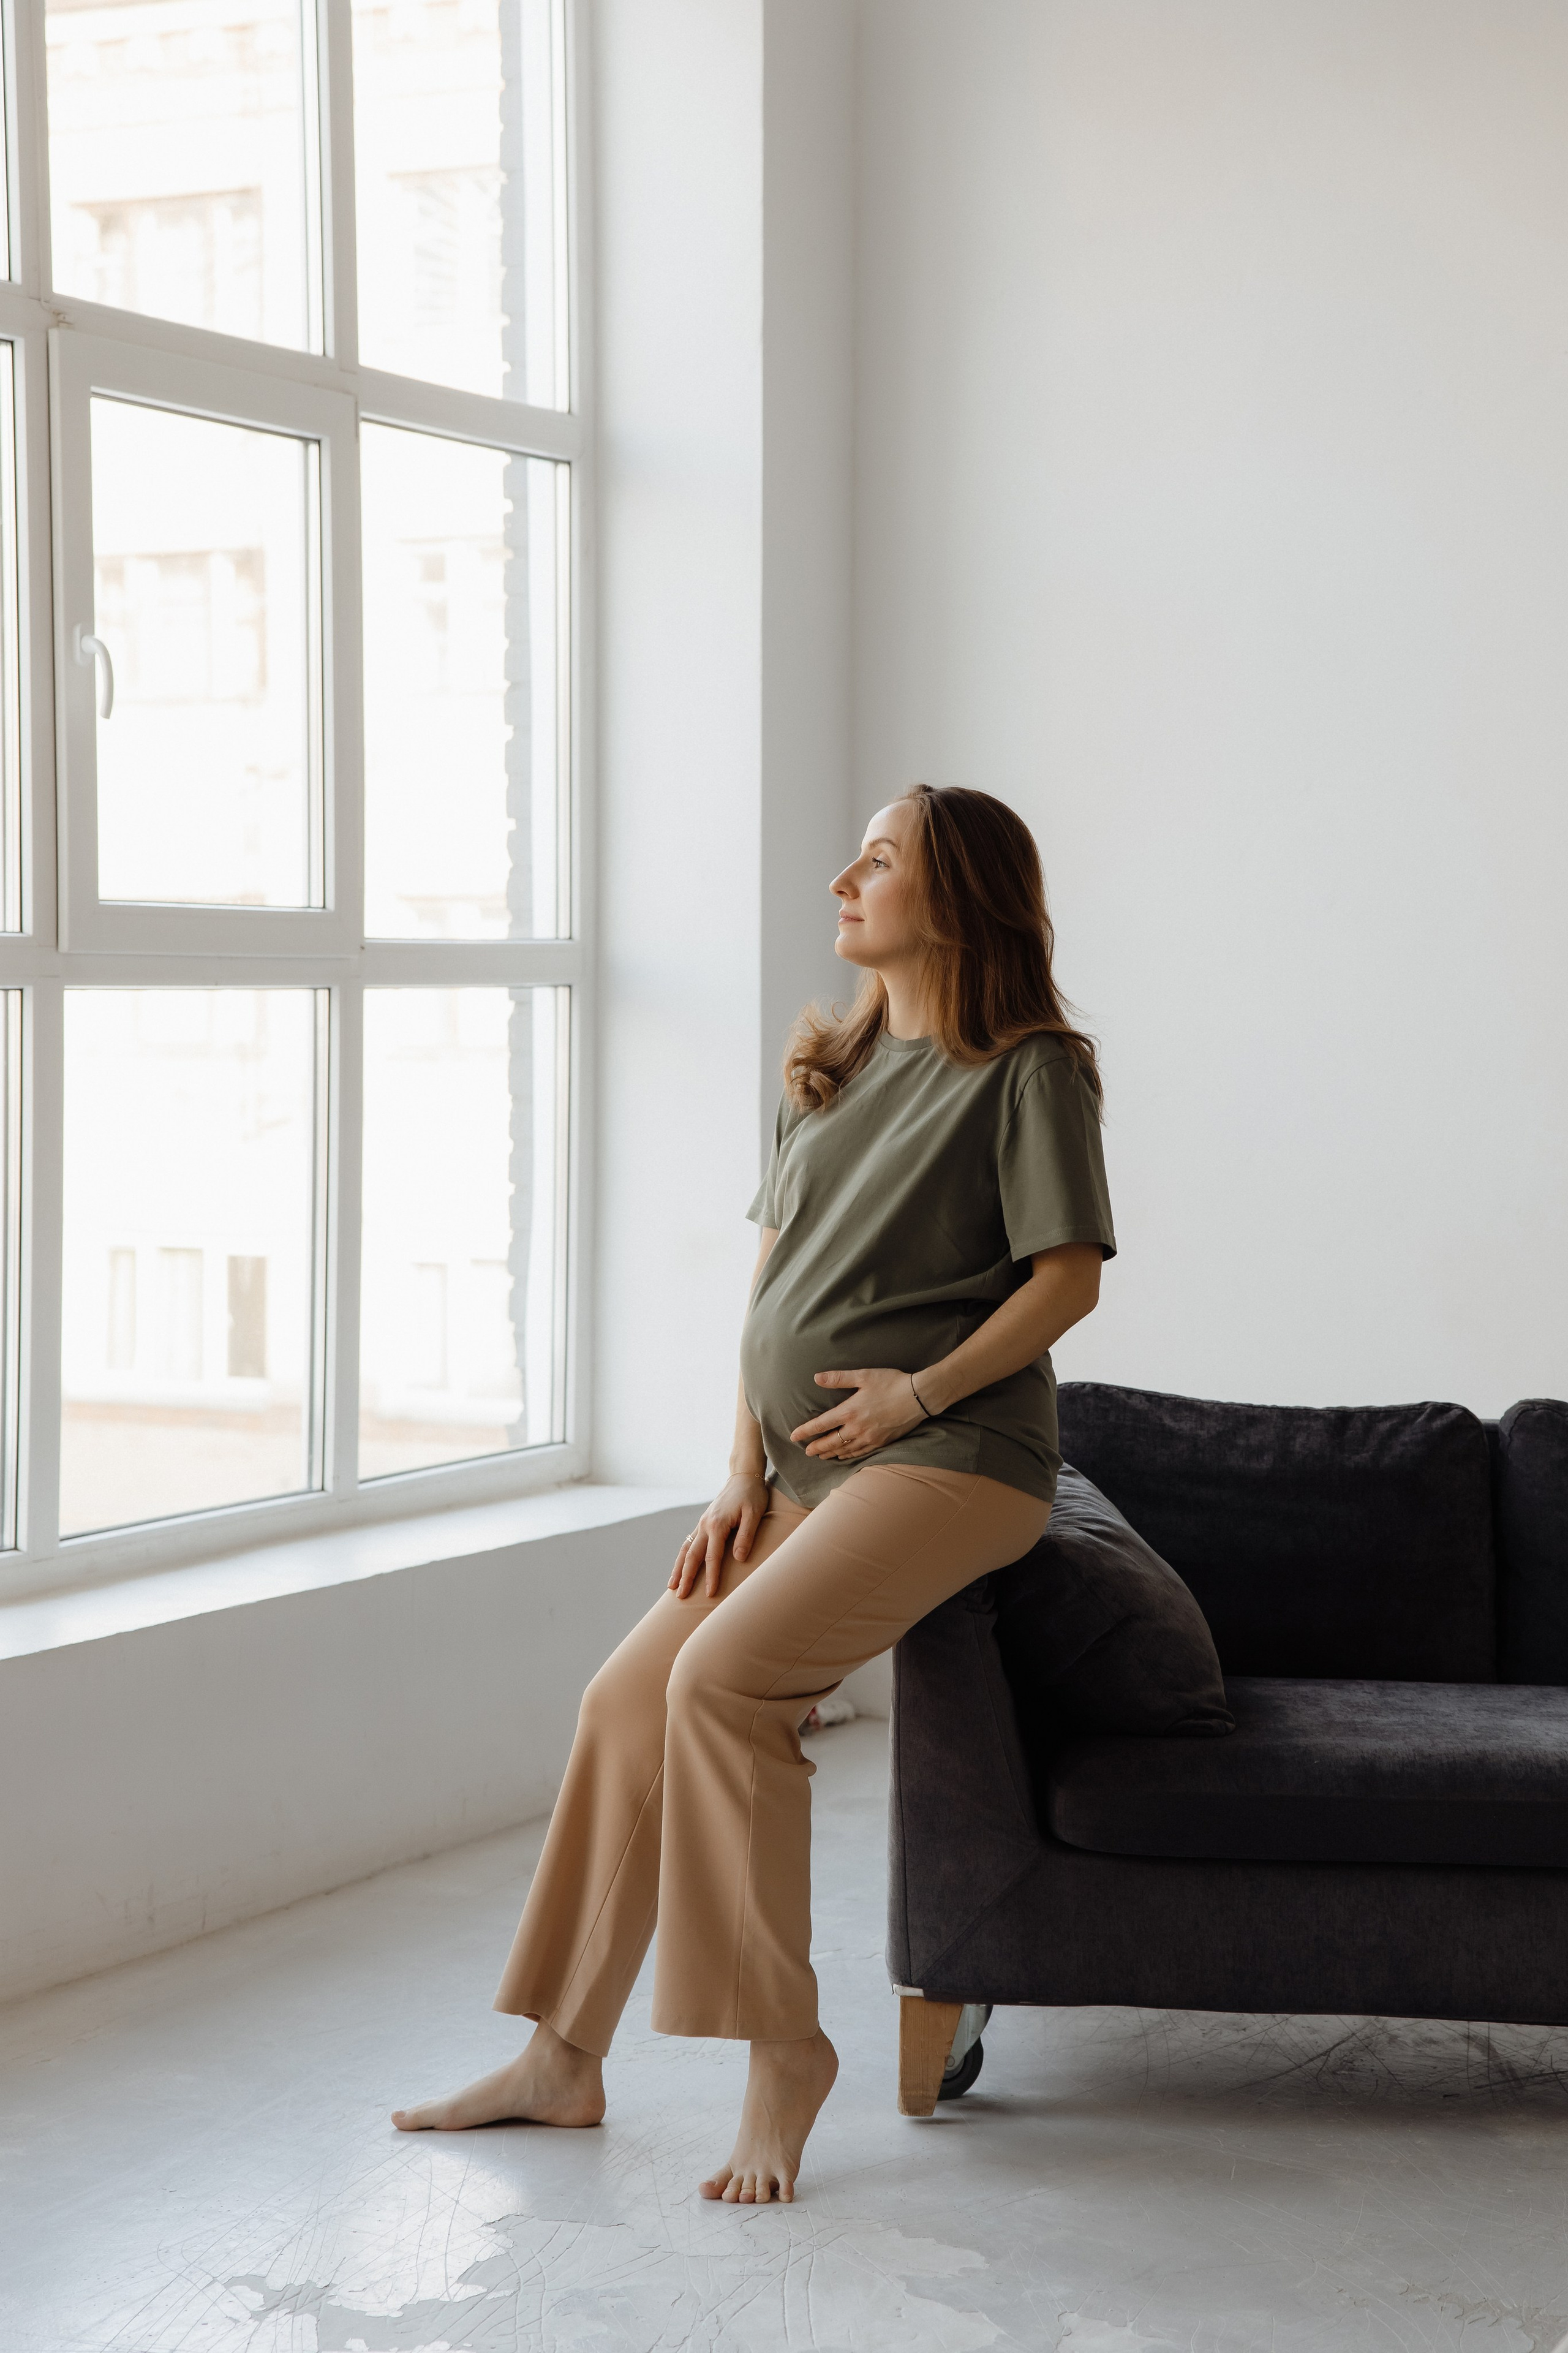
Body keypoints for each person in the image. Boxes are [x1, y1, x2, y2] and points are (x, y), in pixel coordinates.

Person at [393, 783, 1116, 2202]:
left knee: (719, 1685)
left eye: (879, 859)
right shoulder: (826, 1064)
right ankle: (561, 2057)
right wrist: (739, 1468)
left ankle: (783, 2049)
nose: (843, 878)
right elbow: (773, 1283)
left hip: (954, 1460)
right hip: (797, 1470)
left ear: (953, 896)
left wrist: (918, 1394)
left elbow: (1064, 1280)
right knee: (625, 1701)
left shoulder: (1032, 1069)